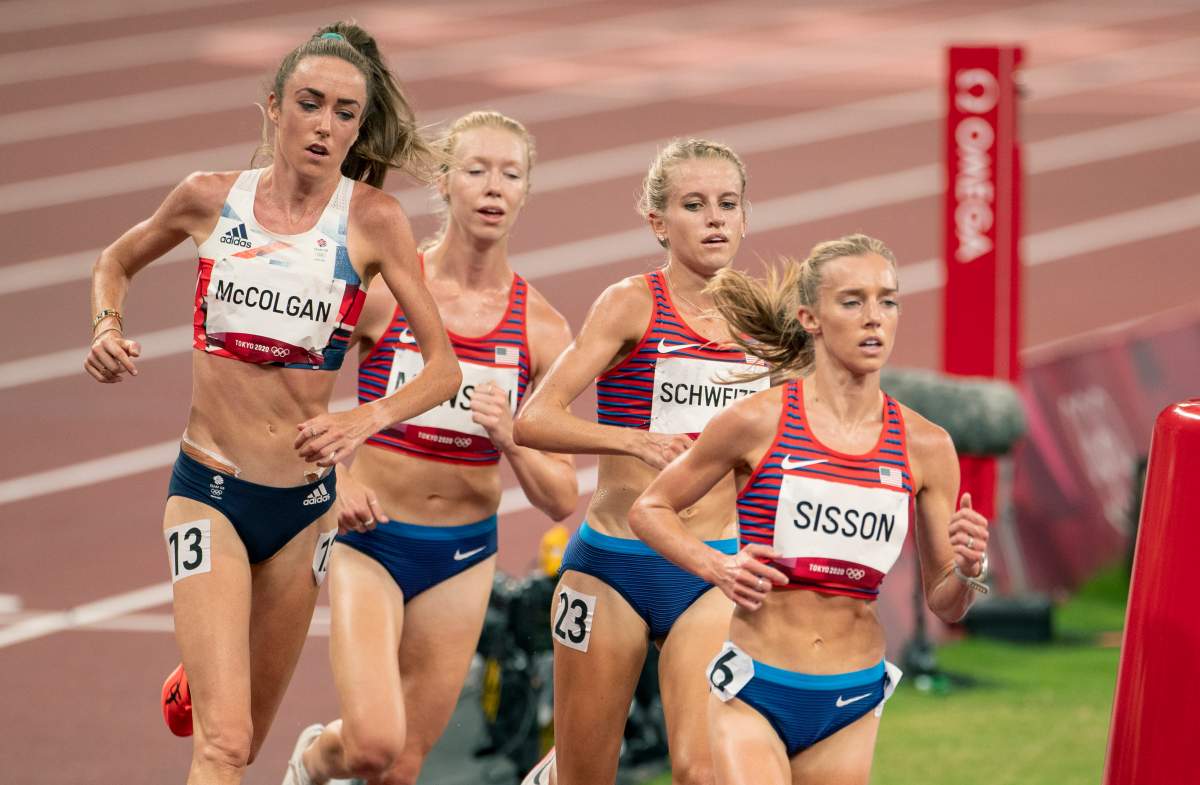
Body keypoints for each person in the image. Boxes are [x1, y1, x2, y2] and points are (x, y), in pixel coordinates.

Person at [84, 23, 460, 784]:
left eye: (345, 113)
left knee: (249, 740)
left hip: (301, 509)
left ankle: (202, 666)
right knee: (221, 746)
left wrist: (364, 418)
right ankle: (210, 662)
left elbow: (443, 368)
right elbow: (115, 260)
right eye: (309, 104)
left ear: (359, 127)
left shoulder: (373, 221)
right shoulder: (209, 199)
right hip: (209, 490)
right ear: (273, 109)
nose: (325, 126)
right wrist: (106, 325)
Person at [281, 111, 579, 785]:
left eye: (510, 173)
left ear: (526, 190)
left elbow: (561, 495)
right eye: (476, 170)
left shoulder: (542, 327)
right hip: (373, 540)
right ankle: (312, 757)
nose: (493, 187)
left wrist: (512, 440)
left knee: (403, 765)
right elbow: (294, 389)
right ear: (444, 182)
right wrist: (336, 478)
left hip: (463, 554)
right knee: (369, 746)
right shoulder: (386, 290)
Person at [628, 234, 991, 784]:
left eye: (887, 301)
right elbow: (650, 507)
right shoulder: (758, 420)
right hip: (755, 689)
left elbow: (946, 604)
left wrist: (967, 572)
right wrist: (717, 567)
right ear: (811, 317)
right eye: (852, 301)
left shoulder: (927, 446)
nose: (875, 318)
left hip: (849, 701)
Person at [513, 139, 769, 785]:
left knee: (702, 769)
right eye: (693, 204)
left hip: (709, 564)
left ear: (744, 218)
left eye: (726, 203)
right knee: (586, 772)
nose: (713, 218)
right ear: (659, 222)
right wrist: (632, 441)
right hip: (615, 565)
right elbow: (535, 420)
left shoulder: (767, 324)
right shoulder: (632, 302)